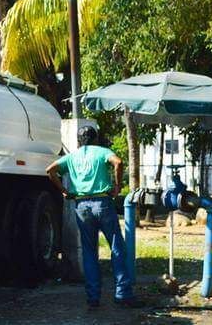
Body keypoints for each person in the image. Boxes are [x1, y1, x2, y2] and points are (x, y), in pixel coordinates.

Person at [46, 126, 142, 309]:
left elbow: (49, 170)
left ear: (79, 140)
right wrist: (117, 186)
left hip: (81, 205)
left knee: (89, 252)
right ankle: (123, 293)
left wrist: (64, 191)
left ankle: (93, 297)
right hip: (103, 203)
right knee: (116, 247)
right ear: (95, 138)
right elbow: (118, 162)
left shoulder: (71, 157)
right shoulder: (102, 152)